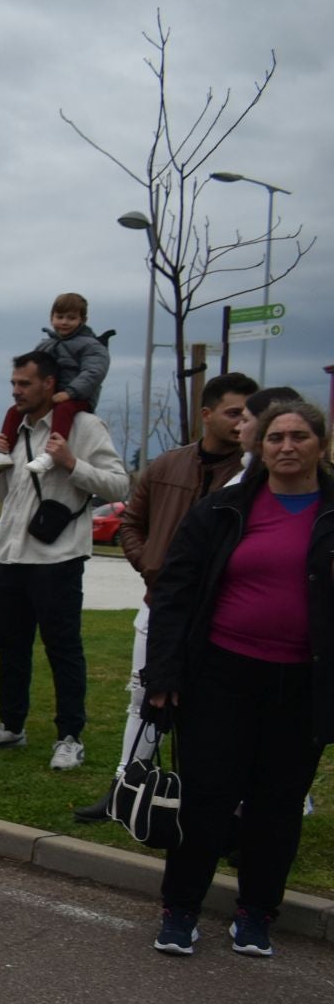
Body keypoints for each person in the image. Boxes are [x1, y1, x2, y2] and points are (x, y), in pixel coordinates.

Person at [143, 402, 334, 959]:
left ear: (321, 444)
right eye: (276, 437)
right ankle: (180, 910)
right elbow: (175, 592)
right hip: (222, 675)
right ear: (262, 446)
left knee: (278, 803)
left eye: (300, 436)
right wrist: (165, 673)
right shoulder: (222, 508)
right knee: (206, 796)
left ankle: (256, 913)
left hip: (303, 682)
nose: (287, 446)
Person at [74, 372, 253, 821]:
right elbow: (132, 522)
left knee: (219, 711)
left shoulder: (253, 476)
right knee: (143, 696)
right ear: (207, 414)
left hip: (220, 613)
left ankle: (224, 804)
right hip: (160, 605)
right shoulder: (168, 465)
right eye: (234, 412)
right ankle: (126, 788)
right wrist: (150, 563)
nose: (242, 422)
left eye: (249, 414)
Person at [0, 352, 129, 769]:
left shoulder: (82, 426)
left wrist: (71, 462)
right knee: (10, 646)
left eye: (24, 383)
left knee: (63, 649)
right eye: (13, 384)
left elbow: (118, 484)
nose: (16, 391)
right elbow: (7, 500)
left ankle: (70, 736)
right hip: (11, 555)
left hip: (58, 559)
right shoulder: (15, 430)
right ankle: (11, 727)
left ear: (48, 383)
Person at [0, 293, 109, 474]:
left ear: (83, 320)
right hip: (51, 397)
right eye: (59, 317)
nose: (64, 322)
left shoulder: (92, 346)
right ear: (51, 317)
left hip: (78, 397)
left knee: (63, 409)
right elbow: (33, 367)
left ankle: (53, 451)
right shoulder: (46, 345)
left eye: (71, 318)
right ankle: (3, 450)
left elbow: (93, 373)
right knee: (14, 411)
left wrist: (70, 392)